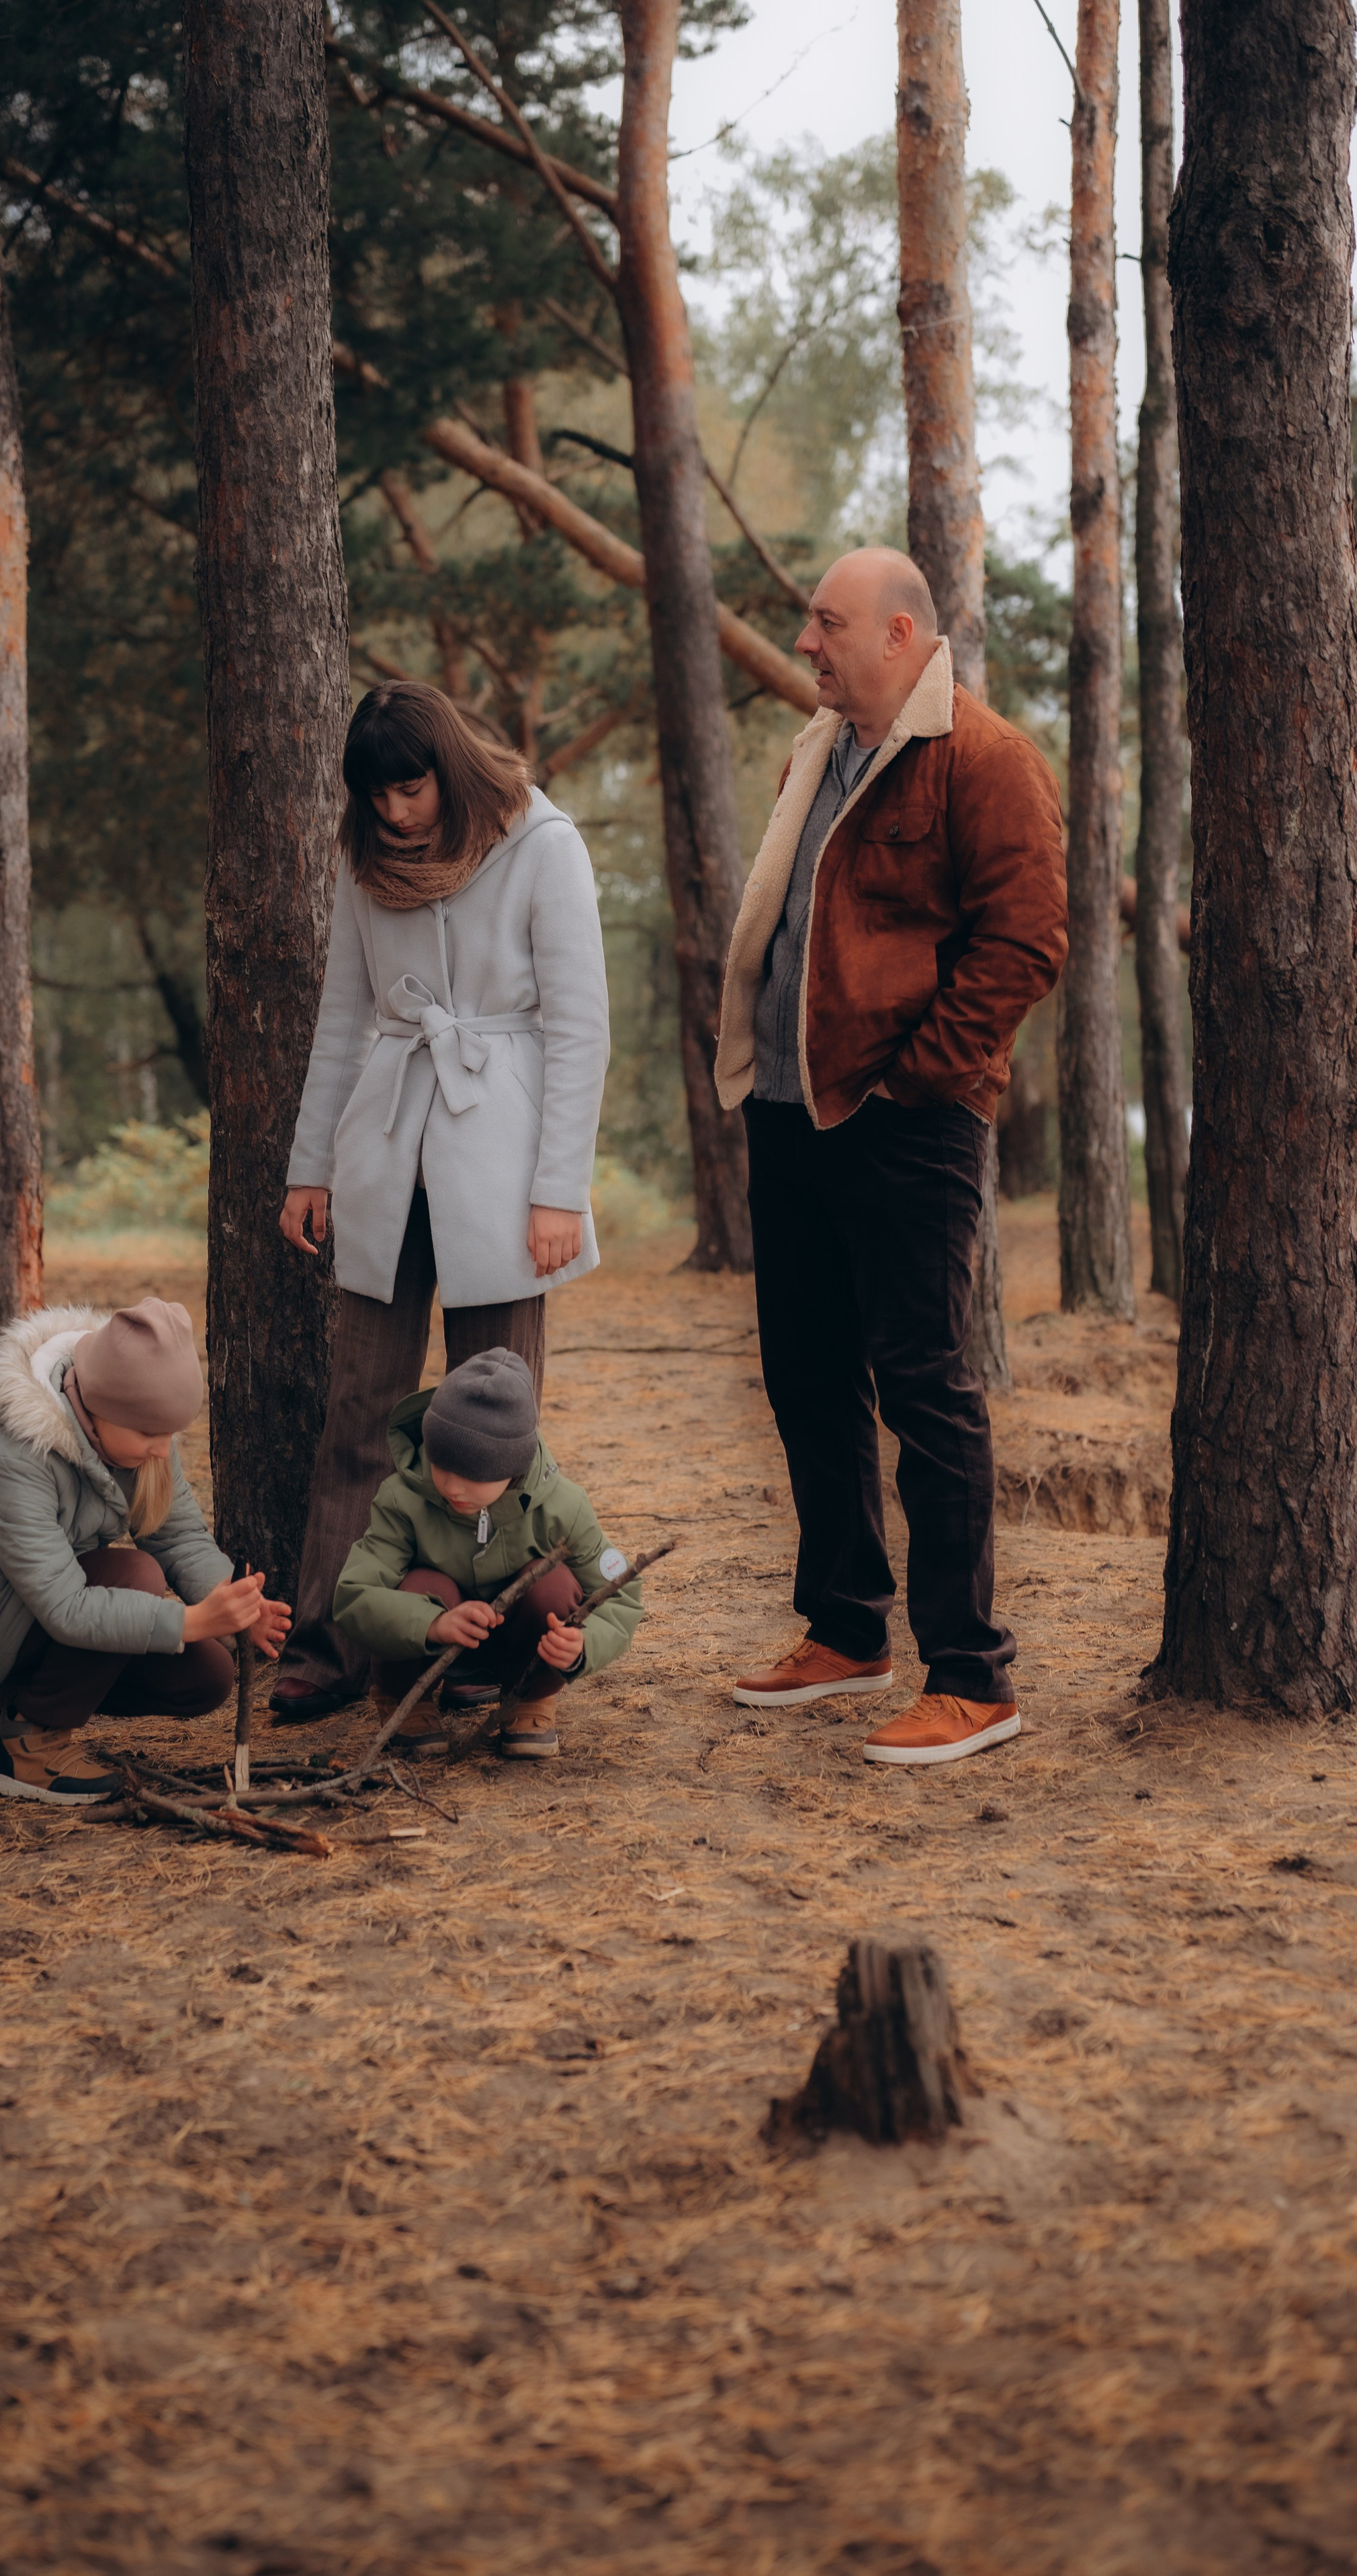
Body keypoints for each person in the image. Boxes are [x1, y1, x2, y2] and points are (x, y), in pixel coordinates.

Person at [713, 547, 1067, 1766]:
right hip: (790, 1111)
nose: (806, 644)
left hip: (904, 1121)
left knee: (925, 1388)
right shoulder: (822, 753)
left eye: (826, 625)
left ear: (902, 635)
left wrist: (913, 1082)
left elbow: (1025, 945)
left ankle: (971, 1676)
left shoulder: (986, 759)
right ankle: (847, 1628)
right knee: (808, 1375)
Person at [270, 680, 610, 1723]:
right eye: (376, 797)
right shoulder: (365, 860)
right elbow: (341, 1018)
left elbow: (578, 1027)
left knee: (495, 1421)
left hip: (506, 1162)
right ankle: (337, 1639)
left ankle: (499, 1650)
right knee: (356, 1414)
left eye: (411, 789)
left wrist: (559, 1189)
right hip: (387, 1146)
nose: (395, 814)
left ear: (448, 770)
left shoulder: (542, 843)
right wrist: (309, 1165)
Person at [0, 1298, 289, 1803]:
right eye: (151, 1433)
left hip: (34, 1597)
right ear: (98, 1411)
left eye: (172, 1432)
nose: (165, 1449)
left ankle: (13, 1704)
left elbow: (179, 1536)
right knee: (136, 1573)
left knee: (207, 1675)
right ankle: (27, 1745)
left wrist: (232, 1607)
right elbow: (67, 1608)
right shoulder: (14, 1458)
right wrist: (190, 1622)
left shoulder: (135, 1431)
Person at [333, 1347, 641, 1761]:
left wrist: (584, 1646)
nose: (452, 1487)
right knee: (425, 1585)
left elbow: (621, 1593)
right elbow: (354, 1593)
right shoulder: (402, 1499)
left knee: (552, 1584)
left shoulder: (564, 1507)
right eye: (441, 1466)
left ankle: (529, 1701)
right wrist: (434, 1623)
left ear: (513, 1468)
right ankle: (408, 1702)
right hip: (426, 1651)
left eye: (473, 1476)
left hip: (522, 1646)